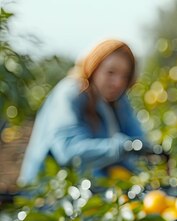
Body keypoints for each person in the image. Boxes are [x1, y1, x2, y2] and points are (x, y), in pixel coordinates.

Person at [19, 39, 151, 184]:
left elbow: (137, 138)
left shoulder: (118, 100)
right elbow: (68, 150)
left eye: (124, 76)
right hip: (46, 194)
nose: (118, 82)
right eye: (110, 72)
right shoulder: (71, 93)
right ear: (94, 68)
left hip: (88, 189)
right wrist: (124, 147)